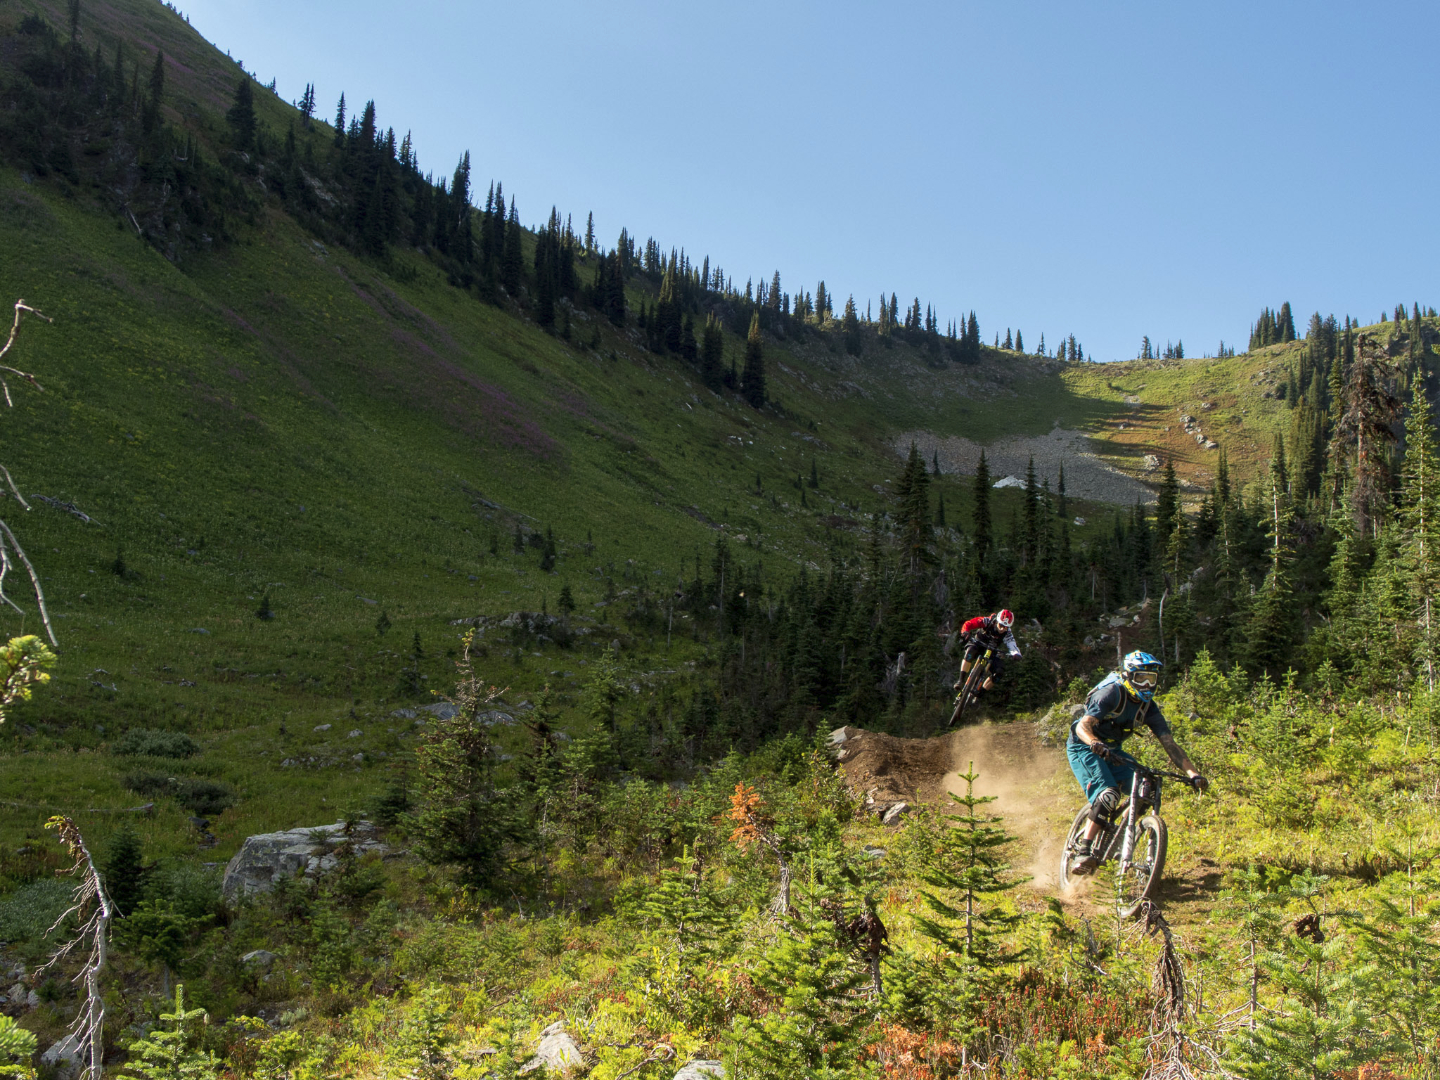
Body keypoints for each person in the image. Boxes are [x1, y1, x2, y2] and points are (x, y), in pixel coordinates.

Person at [1067, 650, 1207, 875]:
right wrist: (1094, 742)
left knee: (1146, 788)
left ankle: (1118, 836)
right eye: (1141, 678)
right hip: (1084, 747)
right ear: (1128, 676)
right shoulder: (1110, 693)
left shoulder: (1148, 707)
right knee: (1109, 794)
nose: (1147, 685)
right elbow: (1083, 726)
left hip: (1113, 751)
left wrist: (1193, 774)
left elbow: (1169, 744)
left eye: (1151, 679)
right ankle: (1083, 851)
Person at [954, 608, 1021, 696]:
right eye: (1001, 625)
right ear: (997, 621)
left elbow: (1012, 645)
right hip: (977, 644)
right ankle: (960, 680)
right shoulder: (988, 621)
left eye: (1005, 627)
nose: (1002, 629)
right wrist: (965, 632)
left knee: (999, 672)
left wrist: (1016, 654)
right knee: (969, 652)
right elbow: (970, 623)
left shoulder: (1008, 634)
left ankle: (981, 693)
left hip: (991, 651)